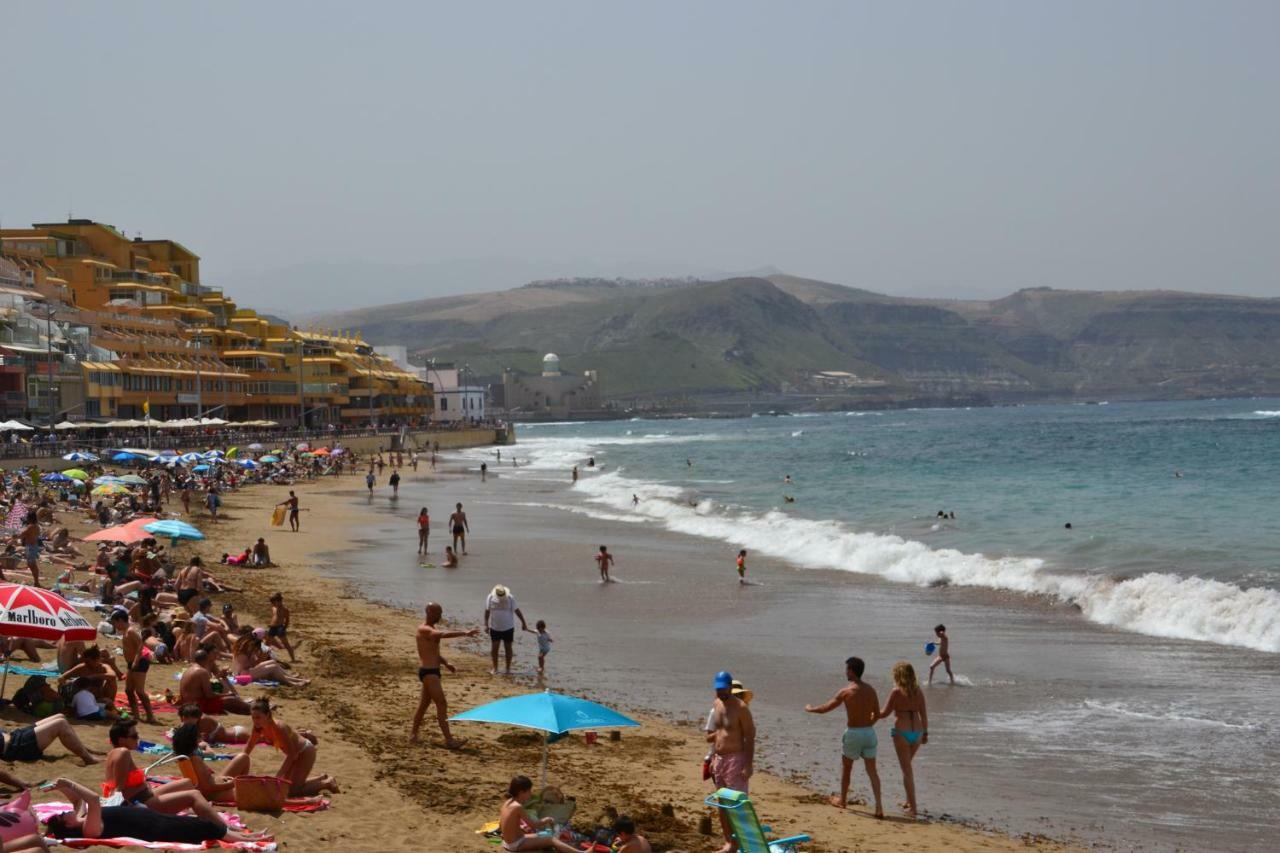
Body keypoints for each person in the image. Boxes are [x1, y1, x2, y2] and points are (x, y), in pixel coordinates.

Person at [45, 777, 267, 845]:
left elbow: (77, 802)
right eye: (64, 816)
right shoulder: (90, 829)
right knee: (204, 827)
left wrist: (63, 786)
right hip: (154, 828)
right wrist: (72, 783)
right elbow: (92, 799)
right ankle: (245, 840)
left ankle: (240, 837)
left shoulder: (82, 819)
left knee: (199, 824)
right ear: (68, 825)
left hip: (152, 819)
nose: (67, 812)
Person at [804, 656, 883, 817]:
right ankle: (879, 807)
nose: (845, 672)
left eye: (847, 669)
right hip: (869, 732)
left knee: (847, 768)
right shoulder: (870, 690)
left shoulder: (847, 691)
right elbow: (877, 713)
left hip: (854, 733)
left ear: (852, 671)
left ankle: (843, 800)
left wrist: (811, 709)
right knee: (872, 771)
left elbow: (827, 707)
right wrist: (869, 725)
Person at [410, 602, 479, 747]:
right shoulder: (424, 629)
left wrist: (446, 663)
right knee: (441, 704)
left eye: (441, 613)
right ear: (429, 612)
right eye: (437, 613)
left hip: (432, 671)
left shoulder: (431, 629)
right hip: (429, 673)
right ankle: (449, 740)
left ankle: (413, 735)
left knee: (424, 705)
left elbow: (434, 653)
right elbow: (442, 635)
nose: (440, 616)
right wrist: (464, 633)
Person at [242, 697, 339, 797]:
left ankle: (326, 783)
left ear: (267, 715)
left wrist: (277, 776)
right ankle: (320, 778)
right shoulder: (258, 727)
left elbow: (292, 754)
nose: (255, 721)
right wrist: (241, 760)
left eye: (258, 717)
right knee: (284, 787)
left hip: (305, 751)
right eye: (253, 717)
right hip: (294, 754)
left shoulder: (279, 727)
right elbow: (250, 745)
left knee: (292, 791)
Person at [705, 671, 755, 851]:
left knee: (737, 805)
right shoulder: (716, 704)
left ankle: (741, 842)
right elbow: (716, 734)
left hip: (736, 759)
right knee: (722, 803)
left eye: (723, 689)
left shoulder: (741, 708)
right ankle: (729, 842)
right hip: (719, 760)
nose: (720, 692)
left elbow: (750, 736)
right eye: (717, 689)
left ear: (729, 687)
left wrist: (748, 765)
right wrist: (711, 757)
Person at [880, 661, 929, 818]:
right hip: (918, 731)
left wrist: (871, 714)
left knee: (907, 771)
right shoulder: (918, 691)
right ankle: (908, 801)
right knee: (908, 767)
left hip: (902, 731)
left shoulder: (896, 692)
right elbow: (924, 714)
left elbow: (885, 713)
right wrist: (926, 733)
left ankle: (913, 809)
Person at [170, 722, 253, 800]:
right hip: (213, 793)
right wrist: (232, 784)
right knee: (250, 791)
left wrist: (221, 779)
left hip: (213, 785)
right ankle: (241, 785)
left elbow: (204, 782)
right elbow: (208, 787)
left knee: (243, 757)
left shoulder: (185, 756)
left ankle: (241, 784)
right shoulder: (195, 759)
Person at [499, 775, 579, 853]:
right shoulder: (517, 807)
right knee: (551, 839)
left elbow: (502, 824)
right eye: (529, 791)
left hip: (508, 842)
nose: (530, 794)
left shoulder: (507, 803)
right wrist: (546, 819)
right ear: (521, 792)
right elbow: (534, 825)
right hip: (515, 844)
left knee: (547, 833)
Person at [0, 714, 99, 766]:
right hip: (16, 747)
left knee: (60, 716)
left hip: (14, 735)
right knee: (60, 724)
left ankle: (82, 749)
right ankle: (88, 759)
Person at [113, 610, 156, 724]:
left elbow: (140, 646)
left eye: (115, 623)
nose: (115, 626)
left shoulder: (131, 631)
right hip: (132, 663)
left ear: (120, 620)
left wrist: (136, 661)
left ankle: (150, 716)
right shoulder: (126, 632)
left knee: (140, 691)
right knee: (129, 690)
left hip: (139, 662)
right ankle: (136, 714)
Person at [178, 649, 252, 715]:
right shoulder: (202, 671)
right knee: (231, 700)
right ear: (206, 659)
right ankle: (254, 708)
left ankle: (248, 707)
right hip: (197, 705)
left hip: (187, 704)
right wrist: (226, 694)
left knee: (230, 701)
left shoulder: (188, 670)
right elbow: (209, 695)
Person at [484, 585, 529, 675]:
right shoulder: (490, 597)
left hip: (508, 627)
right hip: (495, 628)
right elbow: (487, 611)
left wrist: (523, 623)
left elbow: (517, 610)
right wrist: (486, 625)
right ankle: (495, 668)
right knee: (494, 648)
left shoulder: (510, 598)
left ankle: (508, 669)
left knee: (508, 648)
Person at [267, 592, 297, 662]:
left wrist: (284, 628)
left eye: (274, 602)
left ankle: (293, 659)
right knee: (267, 643)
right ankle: (265, 656)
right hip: (272, 627)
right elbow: (274, 617)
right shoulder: (274, 608)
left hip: (279, 627)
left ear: (279, 601)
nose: (273, 604)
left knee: (286, 644)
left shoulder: (285, 610)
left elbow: (287, 620)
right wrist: (271, 623)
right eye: (272, 603)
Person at [18, 511, 41, 586]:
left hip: (31, 547)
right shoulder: (36, 526)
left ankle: (36, 582)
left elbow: (22, 534)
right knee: (31, 564)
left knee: (32, 565)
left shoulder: (30, 527)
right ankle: (36, 581)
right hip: (33, 546)